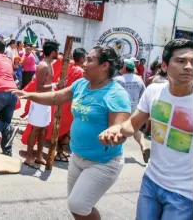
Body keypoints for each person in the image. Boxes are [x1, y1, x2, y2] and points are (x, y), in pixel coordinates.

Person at [13, 46, 131, 220]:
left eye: (90, 60)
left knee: (78, 204)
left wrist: (114, 132)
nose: (84, 64)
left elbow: (120, 126)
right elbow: (56, 97)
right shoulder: (81, 84)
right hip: (77, 157)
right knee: (77, 208)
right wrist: (30, 95)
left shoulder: (116, 94)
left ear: (105, 66)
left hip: (103, 163)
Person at [99, 39, 193, 220]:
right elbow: (133, 124)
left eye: (192, 62)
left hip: (186, 194)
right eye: (181, 61)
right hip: (151, 182)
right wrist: (116, 131)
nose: (188, 67)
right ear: (164, 66)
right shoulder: (154, 91)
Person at [23, 40, 60, 168]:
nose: (58, 53)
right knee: (35, 129)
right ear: (53, 52)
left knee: (44, 129)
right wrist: (55, 85)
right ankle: (28, 157)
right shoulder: (43, 65)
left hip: (47, 101)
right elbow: (39, 87)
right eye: (57, 51)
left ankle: (38, 156)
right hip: (40, 101)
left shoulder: (50, 64)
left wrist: (55, 87)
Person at [52, 48, 86, 162]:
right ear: (82, 59)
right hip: (71, 104)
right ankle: (59, 153)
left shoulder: (68, 67)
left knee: (59, 128)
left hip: (61, 100)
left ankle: (58, 152)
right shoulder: (81, 72)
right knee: (68, 131)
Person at [114, 59, 149, 162]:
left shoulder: (118, 79)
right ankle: (144, 147)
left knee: (119, 128)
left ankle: (115, 154)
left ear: (124, 67)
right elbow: (144, 94)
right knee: (134, 129)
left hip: (121, 108)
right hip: (134, 108)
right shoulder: (139, 79)